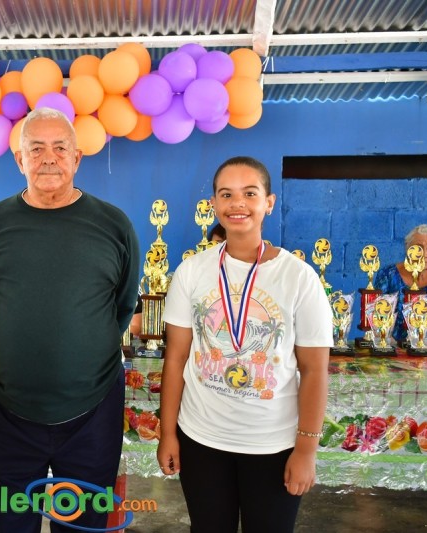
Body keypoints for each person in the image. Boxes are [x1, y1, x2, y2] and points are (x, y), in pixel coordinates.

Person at [0, 107, 140, 532]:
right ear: (19, 159)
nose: (49, 158)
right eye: (36, 148)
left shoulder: (114, 225)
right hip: (8, 412)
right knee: (11, 523)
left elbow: (121, 307)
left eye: (60, 148)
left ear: (77, 158)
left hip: (92, 412)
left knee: (81, 525)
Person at [157, 156, 333, 533]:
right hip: (201, 439)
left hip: (273, 445)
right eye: (226, 194)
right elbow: (176, 358)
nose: (237, 203)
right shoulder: (191, 272)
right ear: (214, 204)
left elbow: (315, 369)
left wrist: (306, 450)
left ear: (268, 202)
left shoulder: (299, 278)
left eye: (249, 193)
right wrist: (168, 433)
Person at [373, 224, 427, 344]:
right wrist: (387, 341)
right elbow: (375, 313)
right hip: (394, 346)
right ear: (407, 248)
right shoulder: (388, 275)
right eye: (418, 247)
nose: (424, 254)